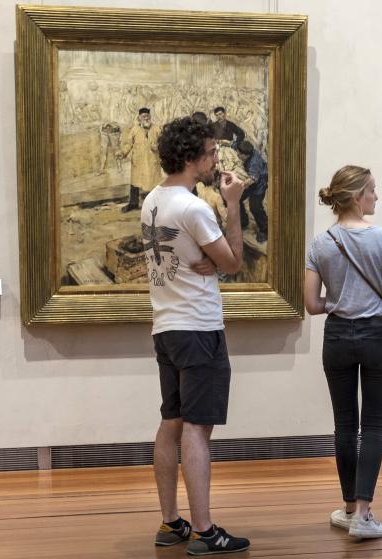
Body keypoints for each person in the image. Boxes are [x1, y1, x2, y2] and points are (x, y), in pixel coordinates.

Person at [141, 116, 250, 555]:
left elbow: (201, 257)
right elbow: (234, 262)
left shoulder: (153, 199)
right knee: (197, 430)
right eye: (209, 153)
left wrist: (207, 256)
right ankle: (206, 531)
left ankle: (171, 524)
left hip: (166, 326)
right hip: (198, 328)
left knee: (171, 423)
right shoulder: (193, 207)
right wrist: (233, 203)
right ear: (190, 158)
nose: (215, 160)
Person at [304, 166, 382, 540]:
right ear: (357, 196)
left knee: (345, 425)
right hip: (377, 336)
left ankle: (348, 507)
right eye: (373, 191)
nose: (377, 197)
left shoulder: (319, 244)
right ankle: (363, 515)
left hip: (338, 338)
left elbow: (312, 304)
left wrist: (340, 300)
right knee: (374, 425)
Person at [119, 108, 163, 212]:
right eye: (143, 117)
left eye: (147, 116)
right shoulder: (134, 130)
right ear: (139, 118)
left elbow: (163, 142)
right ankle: (133, 203)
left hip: (152, 162)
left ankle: (155, 205)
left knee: (154, 184)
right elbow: (128, 144)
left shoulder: (157, 129)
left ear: (150, 117)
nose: (146, 118)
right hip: (138, 163)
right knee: (135, 183)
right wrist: (123, 153)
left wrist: (158, 146)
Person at [238, 140, 268, 243]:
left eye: (240, 154)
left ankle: (264, 230)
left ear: (246, 155)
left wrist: (239, 185)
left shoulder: (255, 162)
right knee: (238, 198)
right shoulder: (246, 150)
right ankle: (243, 220)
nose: (238, 155)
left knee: (255, 207)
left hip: (259, 185)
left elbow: (252, 179)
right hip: (251, 182)